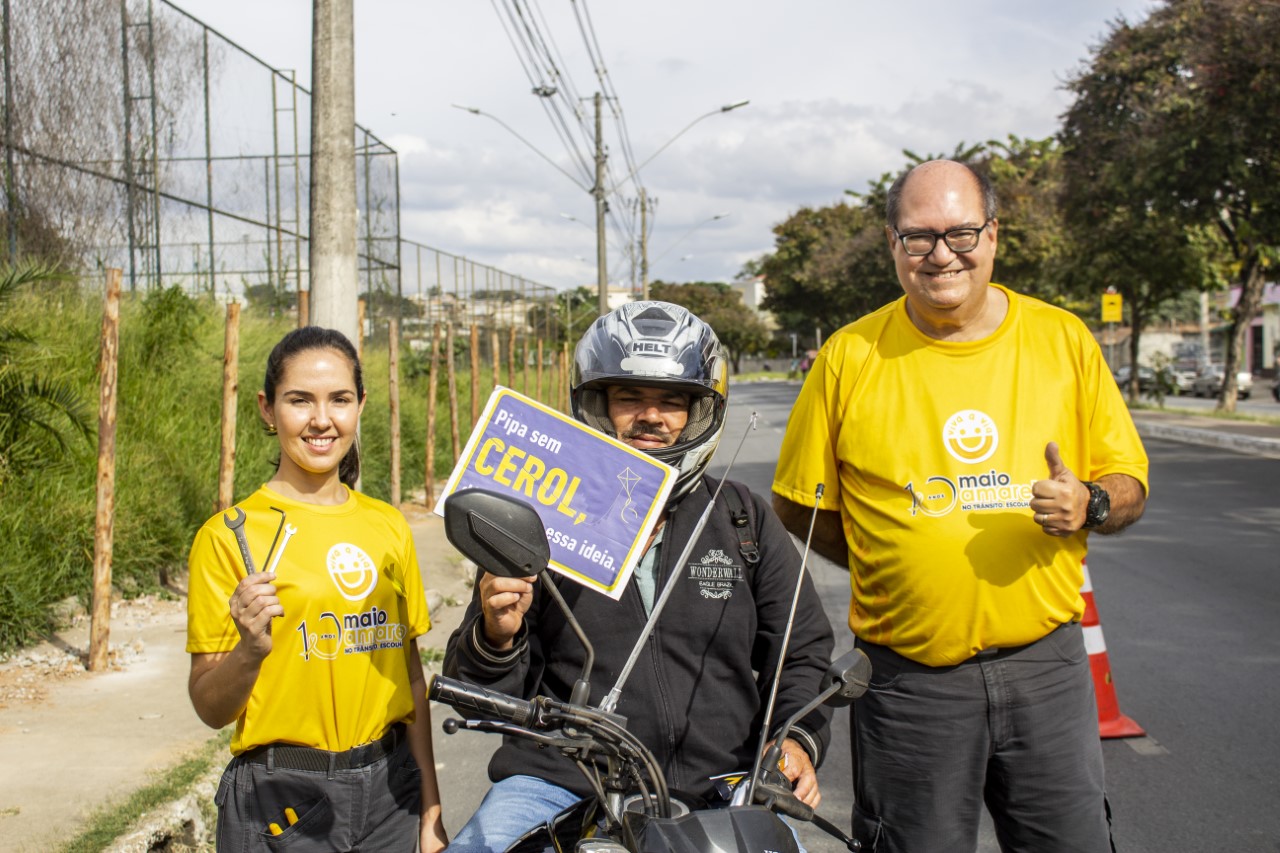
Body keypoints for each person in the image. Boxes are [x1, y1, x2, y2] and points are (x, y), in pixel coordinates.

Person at [772, 160, 1149, 852]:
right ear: (893, 244)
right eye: (918, 237)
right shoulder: (849, 356)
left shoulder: (1062, 341)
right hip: (909, 683)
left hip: (1047, 669)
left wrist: (1089, 502)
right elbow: (800, 504)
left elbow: (1129, 484)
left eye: (961, 231)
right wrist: (887, 562)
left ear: (994, 234)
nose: (942, 253)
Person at [444, 301, 835, 852]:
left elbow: (802, 653)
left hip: (724, 787)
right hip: (560, 782)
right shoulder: (543, 518)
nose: (651, 417)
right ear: (597, 404)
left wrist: (796, 741)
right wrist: (496, 633)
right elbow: (474, 695)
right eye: (629, 398)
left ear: (700, 411)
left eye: (672, 402)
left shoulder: (741, 517)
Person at [186, 326, 448, 853]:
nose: (321, 420)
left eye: (340, 400)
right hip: (283, 802)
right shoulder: (229, 536)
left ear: (361, 405)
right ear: (266, 408)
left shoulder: (388, 525)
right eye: (299, 400)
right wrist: (251, 651)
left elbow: (411, 678)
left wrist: (430, 813)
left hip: (390, 795)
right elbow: (210, 708)